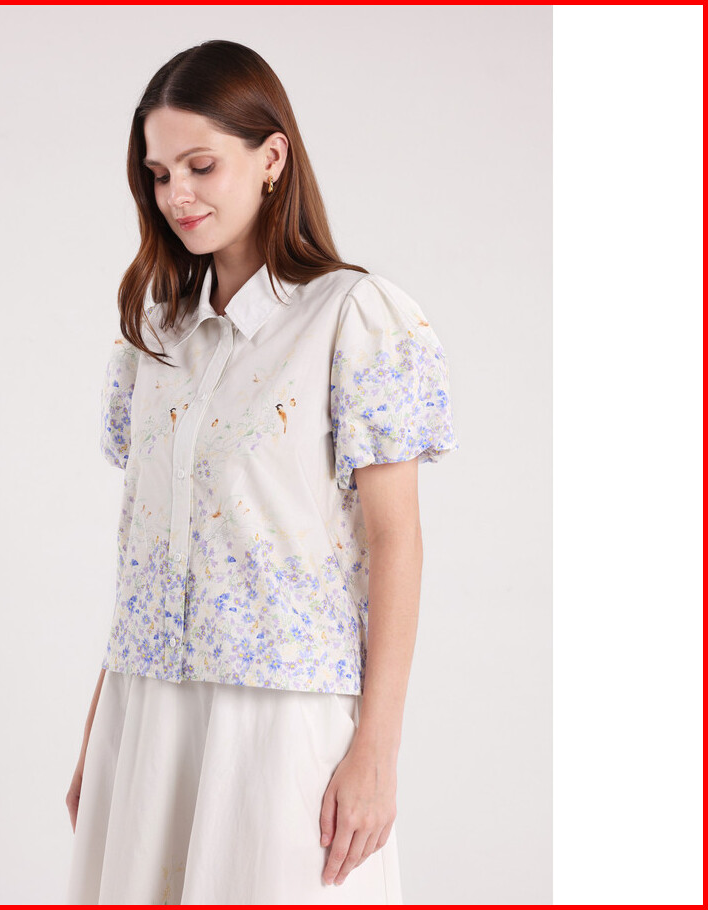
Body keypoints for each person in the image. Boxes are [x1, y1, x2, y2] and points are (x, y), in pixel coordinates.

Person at [64, 39, 459, 904]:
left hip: (280, 716)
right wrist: (100, 729)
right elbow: (144, 552)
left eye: (201, 166)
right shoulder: (154, 339)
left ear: (272, 156)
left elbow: (397, 541)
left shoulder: (356, 317)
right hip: (147, 707)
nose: (177, 195)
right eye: (159, 174)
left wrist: (378, 748)